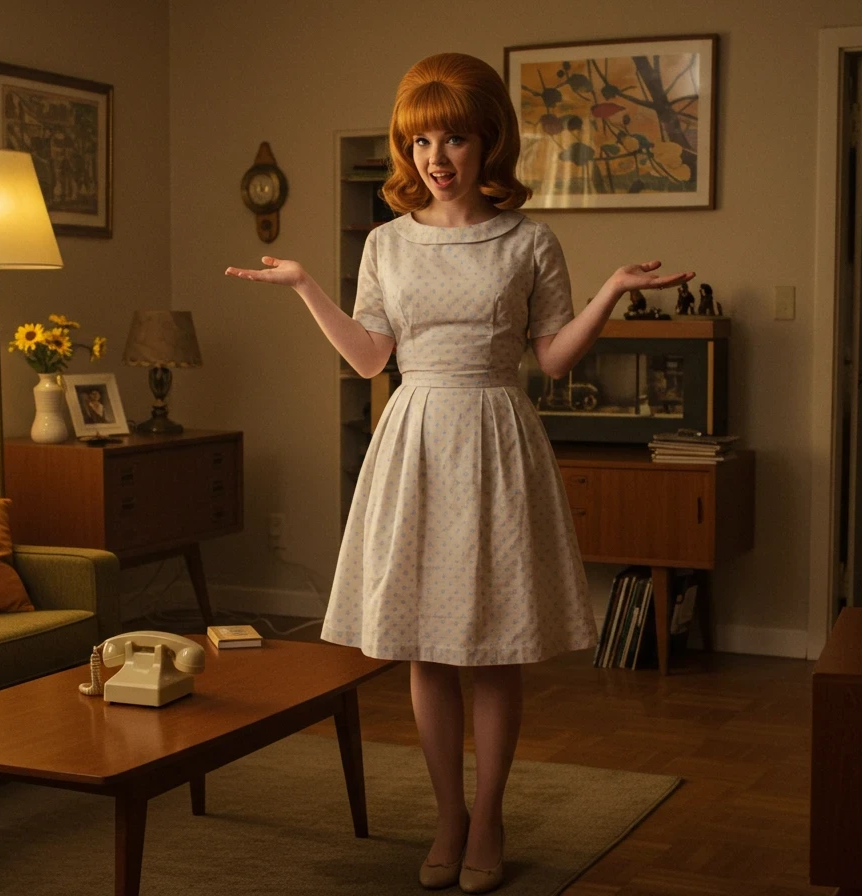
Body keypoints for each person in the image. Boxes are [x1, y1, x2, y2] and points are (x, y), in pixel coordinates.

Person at [225, 52, 692, 894]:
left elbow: (553, 359)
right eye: (420, 142)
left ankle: (489, 817)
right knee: (426, 649)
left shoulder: (529, 240)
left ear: (488, 144)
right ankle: (448, 817)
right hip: (414, 441)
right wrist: (303, 286)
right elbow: (371, 357)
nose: (436, 158)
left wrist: (613, 291)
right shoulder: (385, 243)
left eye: (454, 139)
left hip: (497, 438)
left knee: (495, 648)